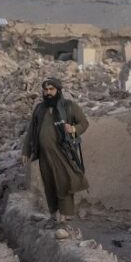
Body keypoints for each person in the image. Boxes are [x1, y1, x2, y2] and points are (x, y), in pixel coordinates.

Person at [22, 77, 89, 224]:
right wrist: (26, 151)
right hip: (44, 155)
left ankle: (65, 215)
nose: (48, 93)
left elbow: (84, 123)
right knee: (49, 184)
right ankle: (54, 214)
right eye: (45, 90)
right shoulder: (40, 109)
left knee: (64, 182)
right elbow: (31, 130)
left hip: (62, 152)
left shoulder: (69, 106)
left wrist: (74, 129)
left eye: (51, 89)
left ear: (58, 90)